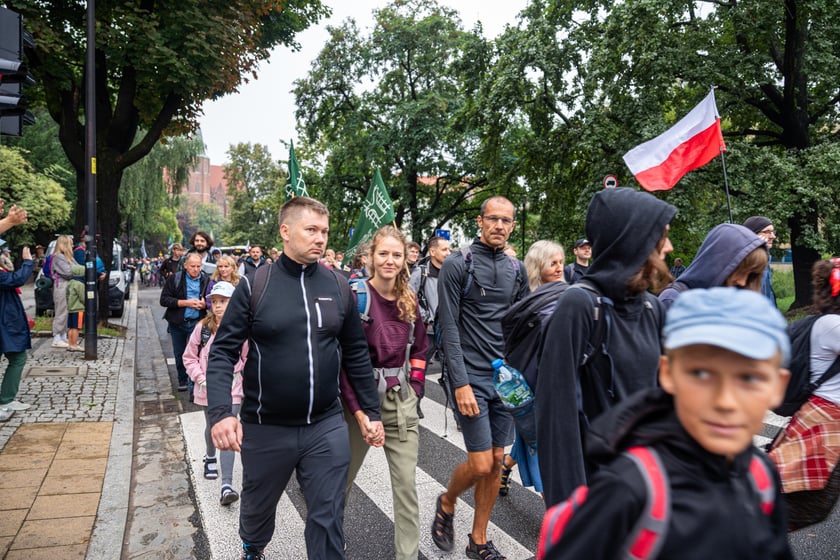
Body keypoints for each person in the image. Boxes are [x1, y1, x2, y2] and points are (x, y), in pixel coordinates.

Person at [540, 287, 793, 559]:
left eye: (749, 378)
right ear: (668, 374)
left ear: (779, 386)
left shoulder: (762, 476)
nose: (725, 401)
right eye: (701, 373)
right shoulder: (629, 488)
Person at [206, 196, 384, 560]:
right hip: (265, 426)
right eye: (311, 230)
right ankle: (252, 548)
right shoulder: (255, 285)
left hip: (325, 424)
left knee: (328, 515)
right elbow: (222, 352)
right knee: (256, 513)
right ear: (285, 232)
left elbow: (354, 353)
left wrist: (370, 410)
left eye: (325, 232)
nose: (320, 239)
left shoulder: (338, 286)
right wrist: (222, 412)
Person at [537, 187, 676, 507]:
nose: (667, 247)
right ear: (633, 241)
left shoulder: (654, 309)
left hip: (644, 485)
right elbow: (557, 419)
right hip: (597, 493)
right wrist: (570, 511)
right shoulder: (579, 304)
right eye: (661, 237)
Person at [431, 196, 529, 560]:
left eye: (506, 220)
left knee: (497, 458)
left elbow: (520, 326)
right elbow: (449, 328)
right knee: (481, 463)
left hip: (505, 379)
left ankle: (479, 540)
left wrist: (523, 375)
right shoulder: (459, 264)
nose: (499, 226)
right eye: (493, 219)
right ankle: (448, 499)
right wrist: (459, 383)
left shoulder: (517, 270)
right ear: (480, 221)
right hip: (469, 376)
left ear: (513, 225)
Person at [340, 226, 427, 560]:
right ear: (370, 258)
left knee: (406, 489)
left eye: (396, 254)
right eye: (383, 254)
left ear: (404, 259)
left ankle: (407, 556)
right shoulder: (355, 297)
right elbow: (346, 361)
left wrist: (416, 389)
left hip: (399, 403)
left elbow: (420, 348)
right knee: (340, 484)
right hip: (359, 406)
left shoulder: (409, 300)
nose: (390, 260)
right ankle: (331, 539)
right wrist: (358, 412)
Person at [769, 257, 840, 530]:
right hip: (824, 422)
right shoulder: (831, 325)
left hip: (825, 421)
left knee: (804, 498)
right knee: (804, 501)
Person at [499, 240, 565, 498]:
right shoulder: (525, 299)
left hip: (561, 380)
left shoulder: (569, 293)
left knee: (537, 440)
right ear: (538, 266)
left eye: (561, 262)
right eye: (553, 263)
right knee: (538, 441)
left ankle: (505, 465)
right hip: (533, 381)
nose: (559, 268)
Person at [183, 281, 247, 506]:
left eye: (224, 301)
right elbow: (188, 357)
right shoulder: (202, 328)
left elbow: (247, 357)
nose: (218, 306)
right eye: (215, 302)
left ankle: (227, 485)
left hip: (233, 388)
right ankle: (210, 457)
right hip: (207, 388)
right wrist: (201, 378)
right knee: (212, 427)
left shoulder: (241, 328)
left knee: (228, 430)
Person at [658, 223, 767, 310]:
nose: (743, 282)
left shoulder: (737, 303)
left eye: (750, 274)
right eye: (741, 271)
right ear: (720, 263)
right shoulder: (673, 299)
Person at [409, 235, 451, 418]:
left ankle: (460, 415)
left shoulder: (452, 271)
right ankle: (415, 403)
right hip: (427, 330)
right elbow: (409, 297)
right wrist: (424, 316)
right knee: (420, 369)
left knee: (451, 371)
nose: (448, 253)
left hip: (448, 330)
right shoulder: (420, 272)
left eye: (449, 249)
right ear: (433, 252)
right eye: (444, 250)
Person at [160, 252, 209, 395]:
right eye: (192, 266)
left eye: (198, 266)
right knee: (180, 353)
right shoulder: (175, 279)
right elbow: (164, 300)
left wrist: (204, 304)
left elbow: (211, 299)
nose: (195, 269)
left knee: (199, 353)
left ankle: (196, 382)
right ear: (185, 266)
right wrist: (184, 303)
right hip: (178, 323)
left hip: (197, 322)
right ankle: (182, 379)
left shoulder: (206, 279)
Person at [0, 245, 34, 421]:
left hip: (6, 322)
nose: (6, 252)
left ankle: (6, 399)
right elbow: (16, 279)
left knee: (18, 357)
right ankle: (4, 400)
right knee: (17, 357)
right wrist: (28, 261)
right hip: (4, 322)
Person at [743, 216, 778, 307]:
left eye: (773, 232)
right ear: (752, 235)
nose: (773, 236)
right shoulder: (743, 264)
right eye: (767, 232)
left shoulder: (766, 259)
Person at [50, 235, 77, 349]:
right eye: (70, 243)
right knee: (61, 311)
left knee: (66, 311)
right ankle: (57, 337)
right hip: (61, 286)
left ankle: (62, 335)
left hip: (67, 286)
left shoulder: (67, 257)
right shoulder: (59, 257)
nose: (72, 245)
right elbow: (69, 272)